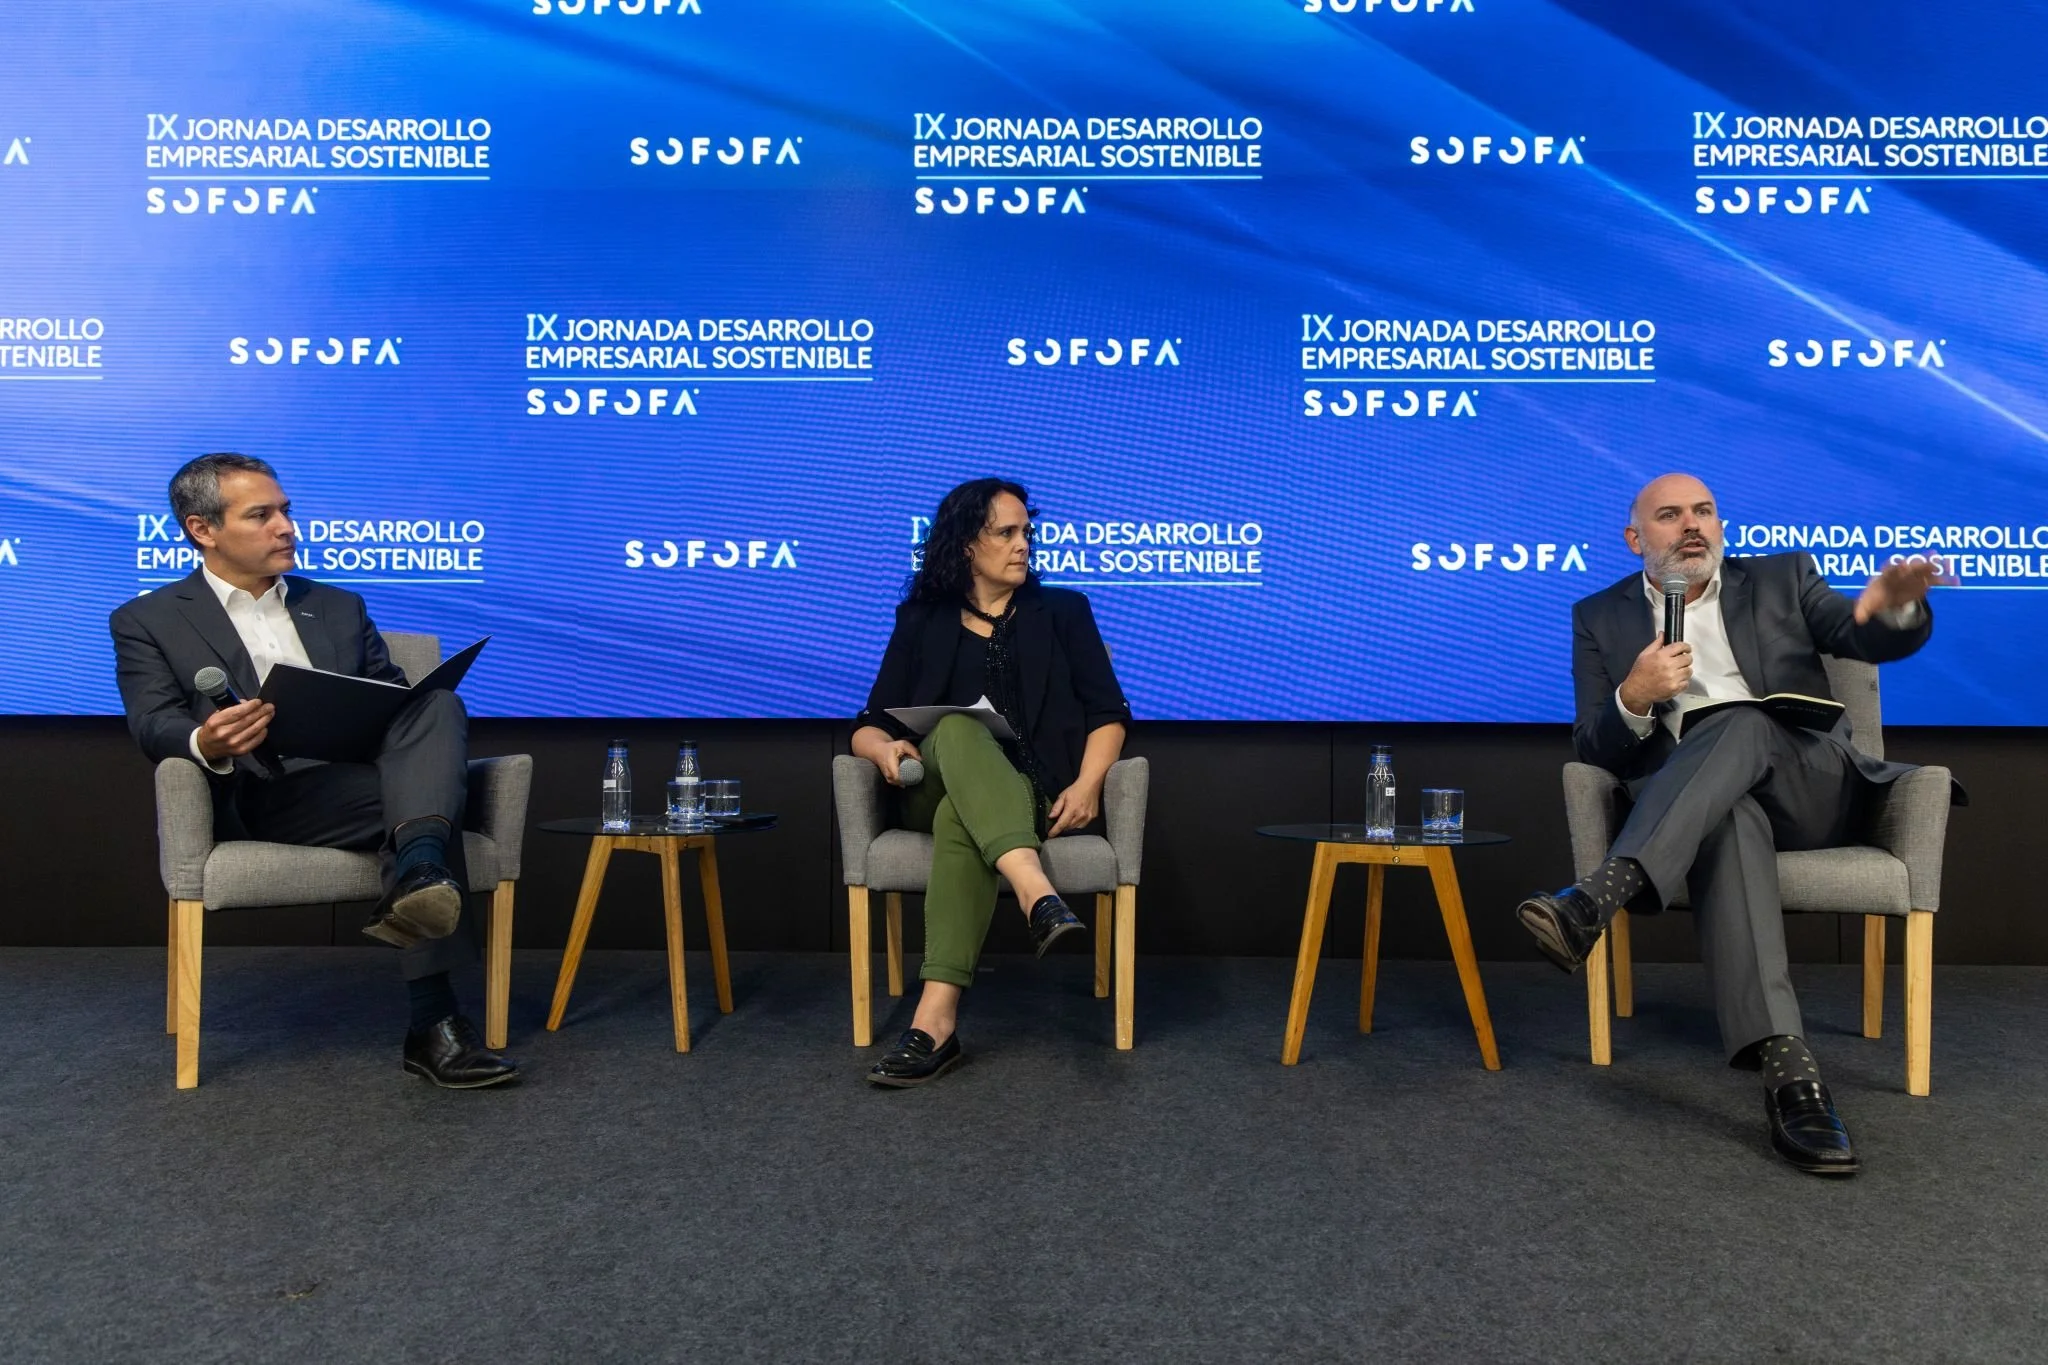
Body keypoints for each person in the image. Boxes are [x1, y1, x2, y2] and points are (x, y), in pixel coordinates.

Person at [1516, 473, 1945, 1175]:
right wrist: (1633, 697)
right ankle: (1791, 1077)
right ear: (1635, 539)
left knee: (1740, 719)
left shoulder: (1783, 578)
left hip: (1810, 786)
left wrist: (1895, 609)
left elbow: (1857, 633)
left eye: (1704, 511)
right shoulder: (1598, 615)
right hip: (1703, 810)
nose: (1692, 525)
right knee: (1730, 818)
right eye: (1670, 515)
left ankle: (1599, 894)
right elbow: (1594, 744)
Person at [110, 453, 518, 1089]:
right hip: (266, 790)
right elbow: (151, 719)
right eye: (261, 515)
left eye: (286, 511)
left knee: (436, 705)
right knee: (423, 809)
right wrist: (206, 738)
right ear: (202, 529)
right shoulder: (148, 619)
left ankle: (420, 869)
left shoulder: (338, 605)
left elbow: (398, 705)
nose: (286, 527)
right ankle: (435, 1017)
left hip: (364, 777)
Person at [851, 478, 1132, 1087]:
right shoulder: (921, 621)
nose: (1023, 543)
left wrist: (1088, 785)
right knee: (956, 729)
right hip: (930, 784)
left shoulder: (1064, 613)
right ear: (965, 545)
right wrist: (883, 749)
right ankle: (1035, 891)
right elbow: (868, 725)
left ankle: (934, 1024)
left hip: (1033, 793)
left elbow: (1108, 713)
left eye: (1027, 531)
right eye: (1006, 532)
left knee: (961, 818)